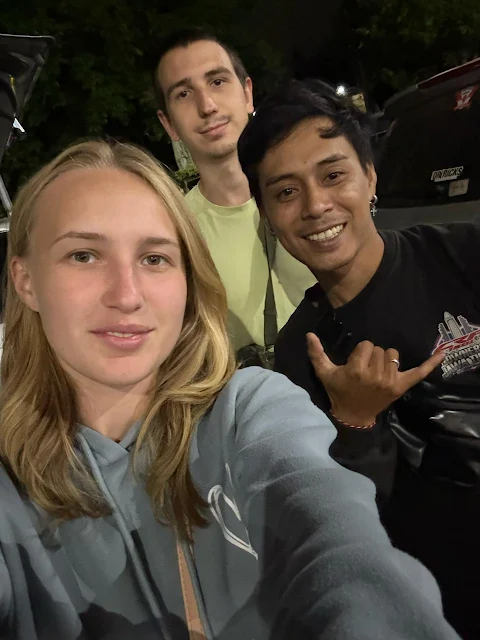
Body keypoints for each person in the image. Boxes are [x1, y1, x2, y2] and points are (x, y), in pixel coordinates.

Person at [0, 139, 461, 640]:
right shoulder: (9, 484)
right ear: (25, 280)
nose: (126, 295)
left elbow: (338, 541)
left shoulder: (250, 411)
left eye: (154, 258)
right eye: (84, 255)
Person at [238, 78, 480, 640]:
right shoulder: (300, 355)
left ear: (370, 176)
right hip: (437, 606)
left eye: (333, 175)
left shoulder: (463, 255)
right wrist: (355, 420)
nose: (316, 205)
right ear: (267, 214)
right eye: (286, 192)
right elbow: (343, 522)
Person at [153, 28, 315, 365]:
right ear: (168, 124)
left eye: (217, 82)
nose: (207, 106)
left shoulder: (318, 194)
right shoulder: (174, 236)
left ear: (247, 93)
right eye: (184, 93)